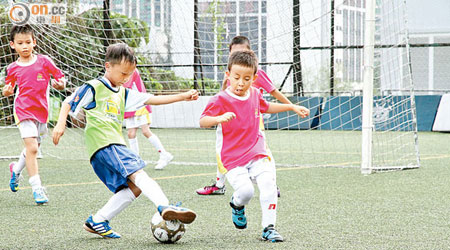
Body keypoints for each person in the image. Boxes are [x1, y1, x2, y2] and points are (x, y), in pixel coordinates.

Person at [52, 43, 198, 238]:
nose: (126, 79)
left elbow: (151, 99)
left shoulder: (123, 92)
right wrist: (60, 125)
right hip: (106, 144)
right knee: (139, 174)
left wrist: (183, 96)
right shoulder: (94, 87)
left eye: (129, 74)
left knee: (133, 188)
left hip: (106, 149)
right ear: (107, 66)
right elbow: (68, 102)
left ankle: (98, 220)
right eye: (122, 74)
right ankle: (164, 205)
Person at [199, 50, 309, 242]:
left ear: (254, 79)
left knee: (269, 184)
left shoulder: (255, 94)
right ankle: (236, 205)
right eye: (236, 77)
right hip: (232, 158)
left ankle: (269, 228)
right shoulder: (220, 100)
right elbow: (203, 121)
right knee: (246, 192)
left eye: (247, 78)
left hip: (257, 152)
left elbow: (267, 107)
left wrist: (291, 107)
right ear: (228, 75)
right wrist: (218, 118)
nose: (241, 83)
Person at [196, 36, 291, 196]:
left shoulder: (257, 74)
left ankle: (271, 185)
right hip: (230, 122)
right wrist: (219, 116)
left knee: (264, 153)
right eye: (234, 53)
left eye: (242, 52)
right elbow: (222, 99)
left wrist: (292, 106)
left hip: (253, 120)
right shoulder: (231, 76)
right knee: (223, 150)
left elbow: (273, 92)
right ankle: (220, 184)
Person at [2, 24, 66, 205]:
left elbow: (60, 79)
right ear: (12, 45)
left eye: (28, 42)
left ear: (34, 43)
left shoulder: (44, 61)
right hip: (23, 111)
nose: (24, 46)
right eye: (20, 43)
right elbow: (9, 89)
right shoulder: (12, 68)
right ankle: (37, 188)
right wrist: (7, 91)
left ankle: (15, 170)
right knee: (33, 149)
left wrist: (60, 84)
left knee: (32, 148)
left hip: (42, 112)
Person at [123, 69, 173, 169]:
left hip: (140, 105)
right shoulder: (120, 69)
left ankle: (164, 154)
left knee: (145, 131)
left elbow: (125, 85)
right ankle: (136, 159)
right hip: (129, 107)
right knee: (130, 133)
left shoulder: (131, 70)